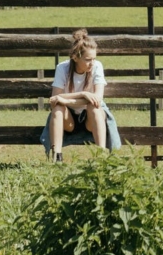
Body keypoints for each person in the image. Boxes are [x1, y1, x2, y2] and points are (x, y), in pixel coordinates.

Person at [41, 29, 120, 161]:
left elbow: (97, 99)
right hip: (69, 120)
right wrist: (84, 94)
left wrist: (64, 99)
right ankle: (57, 157)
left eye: (94, 59)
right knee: (57, 109)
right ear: (75, 57)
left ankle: (102, 158)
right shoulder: (63, 68)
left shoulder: (97, 66)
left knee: (93, 107)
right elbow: (54, 99)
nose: (92, 63)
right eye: (88, 59)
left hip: (91, 118)